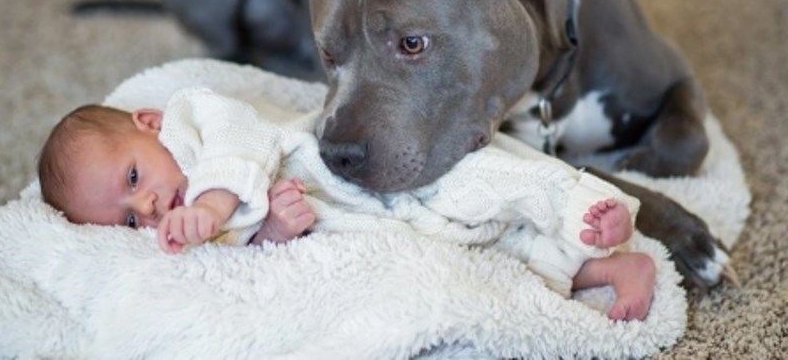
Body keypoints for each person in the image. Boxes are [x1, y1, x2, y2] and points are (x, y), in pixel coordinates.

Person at [38, 86, 655, 321]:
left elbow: (243, 139)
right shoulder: (189, 228)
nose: (146, 205)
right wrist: (276, 228)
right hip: (368, 219)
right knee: (480, 244)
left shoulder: (193, 121)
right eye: (125, 217)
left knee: (482, 182)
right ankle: (603, 266)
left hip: (375, 169)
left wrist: (216, 204)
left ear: (149, 123)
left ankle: (581, 205)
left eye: (134, 176)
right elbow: (253, 257)